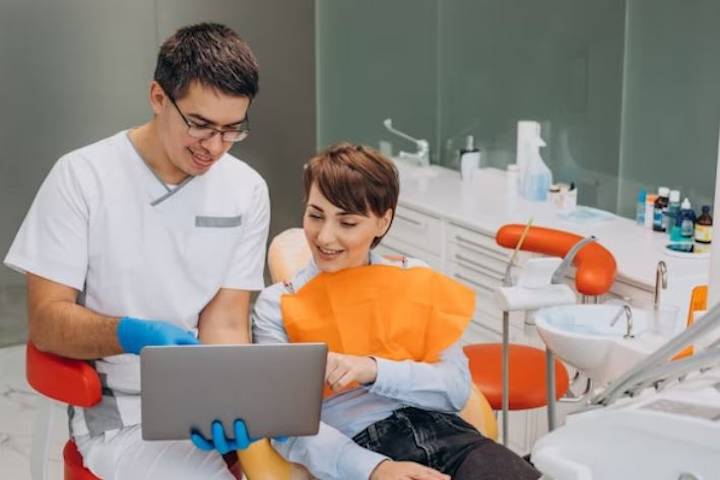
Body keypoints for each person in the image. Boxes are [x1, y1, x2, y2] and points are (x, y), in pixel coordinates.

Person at [4, 23, 269, 479]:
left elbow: (225, 321)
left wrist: (225, 399)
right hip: (120, 417)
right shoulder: (82, 177)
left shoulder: (246, 189)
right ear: (158, 97)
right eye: (200, 125)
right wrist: (131, 335)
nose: (214, 147)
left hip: (200, 398)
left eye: (231, 130)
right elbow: (47, 323)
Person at [252, 143, 540, 480]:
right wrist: (375, 469)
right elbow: (287, 426)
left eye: (347, 222)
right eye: (315, 215)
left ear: (382, 221)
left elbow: (455, 387)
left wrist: (373, 370)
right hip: (359, 449)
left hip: (451, 435)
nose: (324, 236)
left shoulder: (412, 279)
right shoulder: (276, 306)